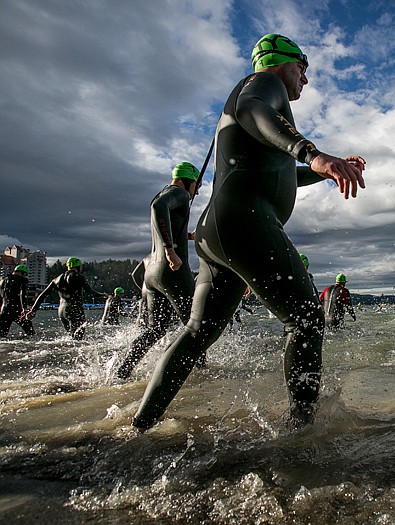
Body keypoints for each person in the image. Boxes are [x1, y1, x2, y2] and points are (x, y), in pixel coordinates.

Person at [130, 33, 365, 431]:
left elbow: (279, 170)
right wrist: (315, 153)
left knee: (197, 331)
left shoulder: (266, 111)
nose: (305, 79)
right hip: (244, 222)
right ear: (281, 61)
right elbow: (252, 109)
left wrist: (321, 172)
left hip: (219, 230)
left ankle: (141, 424)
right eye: (302, 67)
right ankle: (302, 430)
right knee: (306, 317)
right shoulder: (263, 86)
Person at [116, 162, 201, 380]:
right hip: (171, 271)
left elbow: (162, 214)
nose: (196, 191)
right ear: (186, 180)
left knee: (156, 329)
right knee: (196, 328)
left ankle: (122, 371)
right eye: (196, 186)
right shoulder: (178, 193)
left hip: (151, 274)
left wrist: (184, 236)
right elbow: (159, 208)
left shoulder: (162, 192)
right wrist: (171, 250)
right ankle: (202, 373)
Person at [26, 257, 107, 340]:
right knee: (78, 339)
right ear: (78, 267)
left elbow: (42, 295)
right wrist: (103, 295)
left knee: (71, 336)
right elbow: (90, 292)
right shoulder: (78, 277)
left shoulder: (56, 280)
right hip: (74, 309)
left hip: (61, 311)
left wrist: (33, 310)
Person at [0, 264, 35, 337]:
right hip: (17, 309)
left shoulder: (3, 281)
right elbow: (22, 294)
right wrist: (24, 308)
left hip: (4, 310)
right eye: (25, 274)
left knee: (2, 335)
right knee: (31, 333)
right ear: (22, 273)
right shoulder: (23, 280)